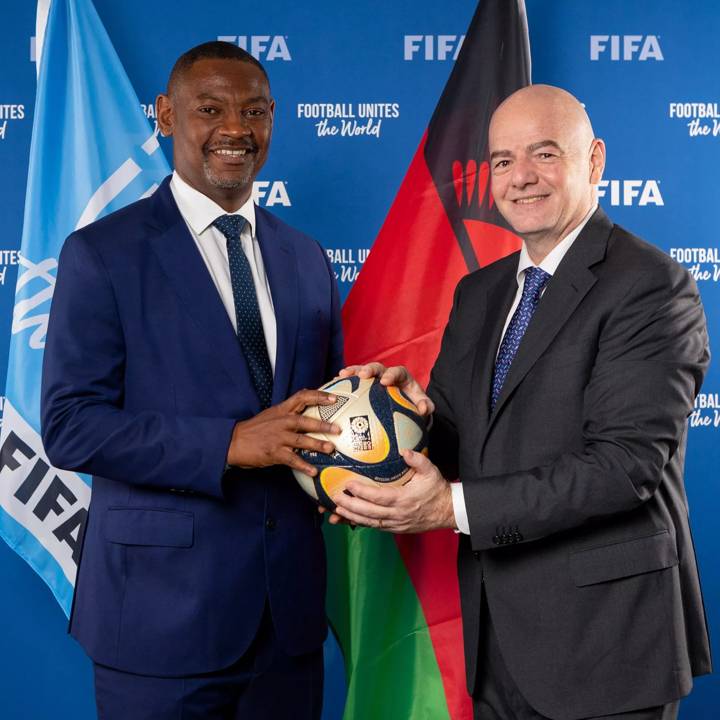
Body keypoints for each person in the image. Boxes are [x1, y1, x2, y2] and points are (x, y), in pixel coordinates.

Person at [331, 85, 712, 720]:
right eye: (504, 160)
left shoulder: (649, 287)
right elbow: (456, 430)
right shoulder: (480, 292)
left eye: (544, 154)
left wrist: (446, 506)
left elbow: (623, 467)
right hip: (496, 637)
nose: (520, 178)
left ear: (593, 161)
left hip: (604, 644)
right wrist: (388, 437)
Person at [41, 41, 343, 720]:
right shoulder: (102, 254)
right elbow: (70, 425)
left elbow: (322, 409)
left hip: (286, 623)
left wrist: (380, 415)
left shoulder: (305, 259)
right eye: (210, 109)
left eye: (255, 111)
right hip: (158, 622)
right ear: (167, 115)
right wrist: (229, 443)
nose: (236, 128)